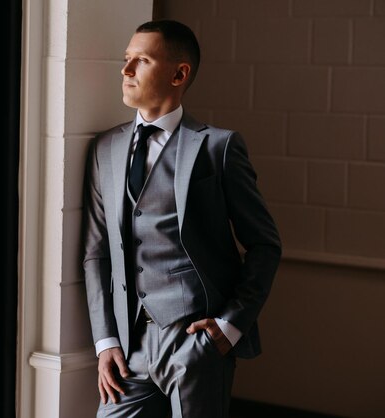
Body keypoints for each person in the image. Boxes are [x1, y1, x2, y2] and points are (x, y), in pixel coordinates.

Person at [82, 19, 282, 418]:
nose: (126, 70)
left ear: (179, 73)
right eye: (126, 59)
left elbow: (265, 244)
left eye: (141, 60)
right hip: (130, 348)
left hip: (196, 344)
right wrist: (106, 342)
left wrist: (228, 328)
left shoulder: (217, 147)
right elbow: (95, 252)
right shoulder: (105, 147)